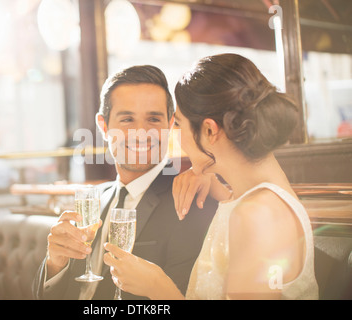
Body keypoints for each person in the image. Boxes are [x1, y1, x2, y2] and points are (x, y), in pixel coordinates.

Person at [104, 54, 319, 300]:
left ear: (208, 130)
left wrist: (158, 288)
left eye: (180, 125)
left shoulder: (258, 216)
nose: (178, 138)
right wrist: (212, 178)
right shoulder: (253, 199)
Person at [33, 65, 226, 299]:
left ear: (169, 124)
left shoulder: (193, 203)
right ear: (104, 126)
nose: (140, 132)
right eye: (127, 119)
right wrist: (55, 264)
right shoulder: (95, 198)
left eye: (153, 119)